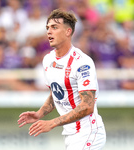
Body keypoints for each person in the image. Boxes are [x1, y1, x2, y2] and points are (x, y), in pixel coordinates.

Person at [18, 9, 106, 150]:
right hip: (70, 135)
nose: (49, 31)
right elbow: (57, 93)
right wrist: (40, 113)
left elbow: (87, 106)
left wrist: (51, 123)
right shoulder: (48, 60)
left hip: (89, 133)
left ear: (68, 32)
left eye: (54, 27)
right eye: (47, 28)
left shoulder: (82, 62)